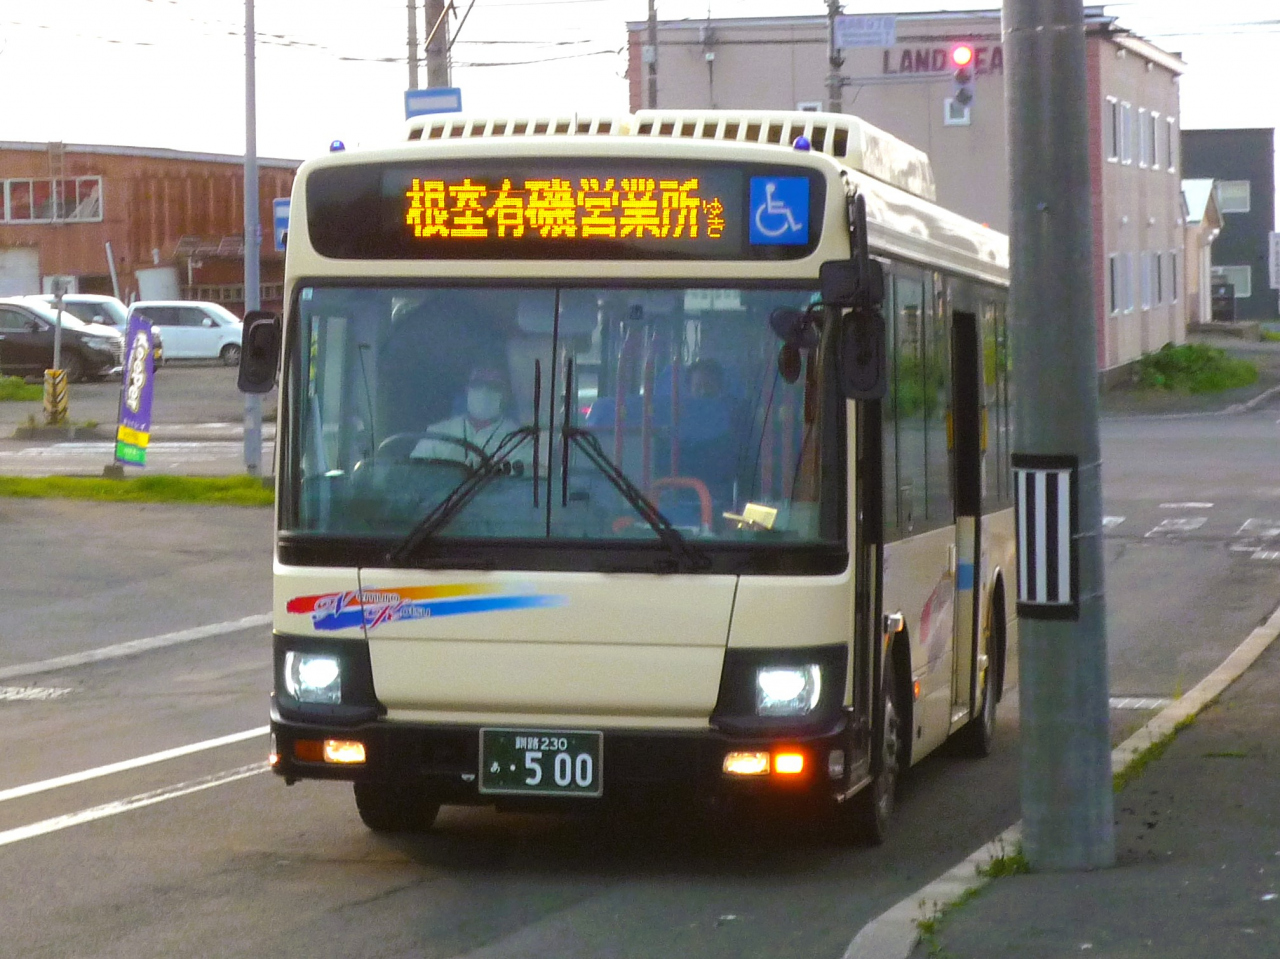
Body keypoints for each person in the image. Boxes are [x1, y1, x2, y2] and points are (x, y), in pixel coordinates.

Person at [411, 366, 531, 471]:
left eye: (494, 386)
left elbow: (524, 478)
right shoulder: (437, 433)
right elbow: (415, 473)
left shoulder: (519, 439)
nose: (484, 391)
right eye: (477, 384)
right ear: (467, 388)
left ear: (506, 394)